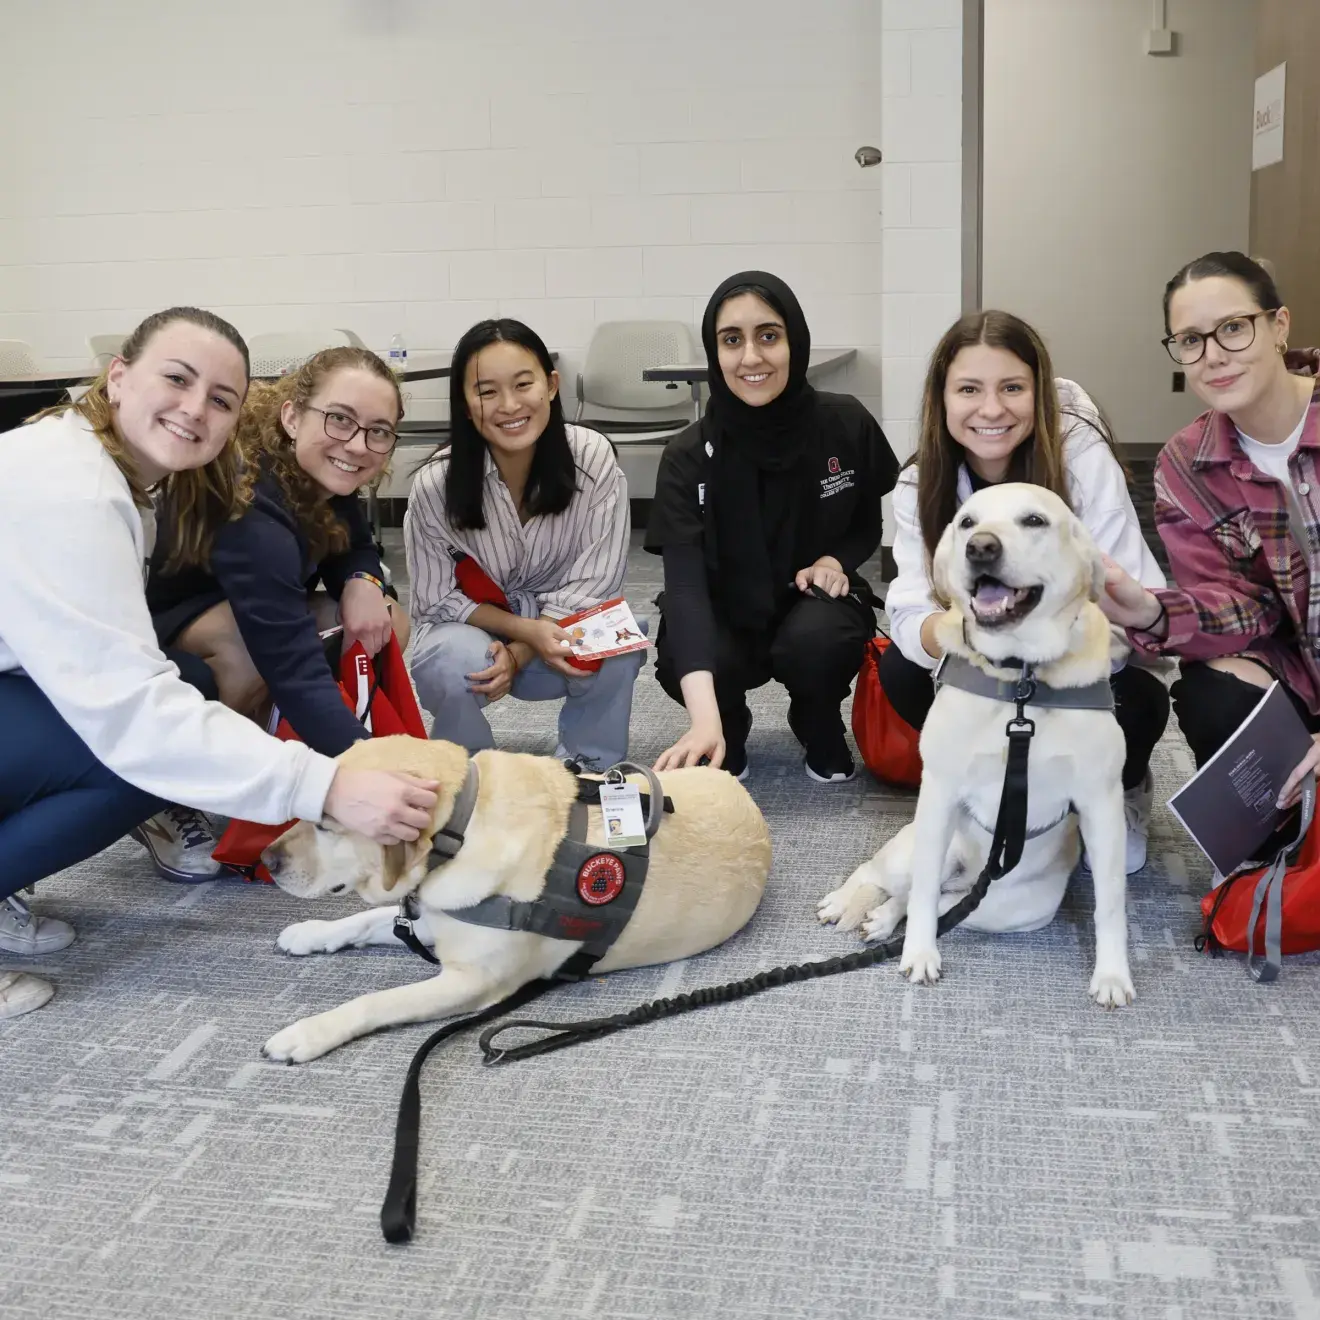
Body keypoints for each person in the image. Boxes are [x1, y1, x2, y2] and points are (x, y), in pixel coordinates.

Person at [0, 308, 437, 1021]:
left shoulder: (104, 460)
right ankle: (164, 813)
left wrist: (368, 580)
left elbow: (351, 534)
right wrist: (337, 780)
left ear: (245, 414)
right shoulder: (71, 491)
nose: (194, 409)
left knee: (188, 698)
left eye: (221, 398)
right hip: (74, 673)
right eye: (176, 378)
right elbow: (137, 714)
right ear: (118, 376)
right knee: (140, 758)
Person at [882, 310, 1170, 873]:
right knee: (900, 672)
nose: (991, 410)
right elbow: (910, 615)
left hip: (1077, 662)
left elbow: (1140, 603)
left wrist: (1047, 647)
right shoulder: (919, 483)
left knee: (1140, 701)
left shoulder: (1081, 460)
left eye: (1012, 388)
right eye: (969, 389)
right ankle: (990, 785)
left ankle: (1119, 788)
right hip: (982, 660)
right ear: (941, 400)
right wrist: (973, 638)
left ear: (1038, 395)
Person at [147, 345, 411, 873]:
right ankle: (159, 798)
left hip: (266, 610)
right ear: (292, 416)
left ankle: (274, 759)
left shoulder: (319, 463)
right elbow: (290, 665)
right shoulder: (249, 502)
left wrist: (362, 581)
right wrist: (367, 771)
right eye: (341, 420)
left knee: (384, 619)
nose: (358, 444)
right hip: (171, 630)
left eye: (378, 431)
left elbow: (356, 544)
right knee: (249, 653)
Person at [1097, 252, 1320, 839]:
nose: (1213, 355)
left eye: (1233, 328)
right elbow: (1241, 605)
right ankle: (1273, 843)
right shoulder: (1187, 464)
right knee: (1210, 691)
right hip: (1298, 674)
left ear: (1279, 325)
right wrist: (1150, 610)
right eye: (1190, 340)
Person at [645, 271, 899, 782]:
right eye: (731, 340)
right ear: (714, 352)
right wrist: (705, 721)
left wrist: (836, 562)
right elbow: (687, 589)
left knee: (820, 643)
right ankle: (728, 725)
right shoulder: (687, 455)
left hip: (813, 604)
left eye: (768, 335)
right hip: (724, 606)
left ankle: (816, 715)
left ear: (795, 340)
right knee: (686, 649)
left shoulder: (843, 422)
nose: (751, 358)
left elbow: (864, 523)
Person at [405, 318, 642, 770]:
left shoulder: (591, 458)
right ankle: (468, 770)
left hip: (557, 635)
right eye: (487, 391)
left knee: (616, 637)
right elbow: (436, 600)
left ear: (551, 385)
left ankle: (589, 766)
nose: (509, 405)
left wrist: (525, 648)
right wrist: (521, 632)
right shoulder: (436, 483)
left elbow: (595, 584)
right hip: (480, 640)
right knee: (444, 656)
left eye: (523, 384)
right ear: (465, 402)